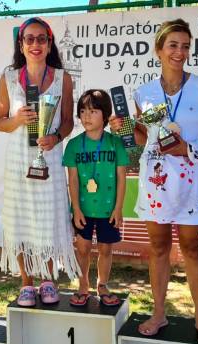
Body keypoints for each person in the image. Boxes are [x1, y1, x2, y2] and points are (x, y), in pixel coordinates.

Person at [109, 19, 198, 340]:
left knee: (192, 248)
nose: (180, 52)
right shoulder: (144, 93)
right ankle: (159, 312)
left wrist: (188, 148)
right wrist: (120, 127)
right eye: (173, 45)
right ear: (159, 50)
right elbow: (140, 139)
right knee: (158, 247)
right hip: (156, 181)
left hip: (191, 180)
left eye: (185, 46)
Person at [0, 17, 79, 306]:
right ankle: (26, 282)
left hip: (50, 158)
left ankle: (47, 279)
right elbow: (0, 123)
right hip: (19, 161)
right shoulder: (8, 77)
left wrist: (55, 137)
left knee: (50, 218)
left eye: (41, 38)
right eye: (29, 39)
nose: (35, 44)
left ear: (49, 43)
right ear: (21, 44)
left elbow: (68, 122)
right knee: (19, 219)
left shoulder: (62, 78)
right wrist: (17, 119)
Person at [63, 89, 127, 307]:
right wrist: (76, 209)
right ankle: (83, 285)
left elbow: (121, 177)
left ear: (105, 114)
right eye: (82, 111)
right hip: (83, 209)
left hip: (109, 210)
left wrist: (118, 208)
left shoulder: (115, 143)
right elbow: (72, 180)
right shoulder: (73, 145)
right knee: (82, 248)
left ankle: (103, 284)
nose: (86, 117)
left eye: (92, 111)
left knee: (106, 248)